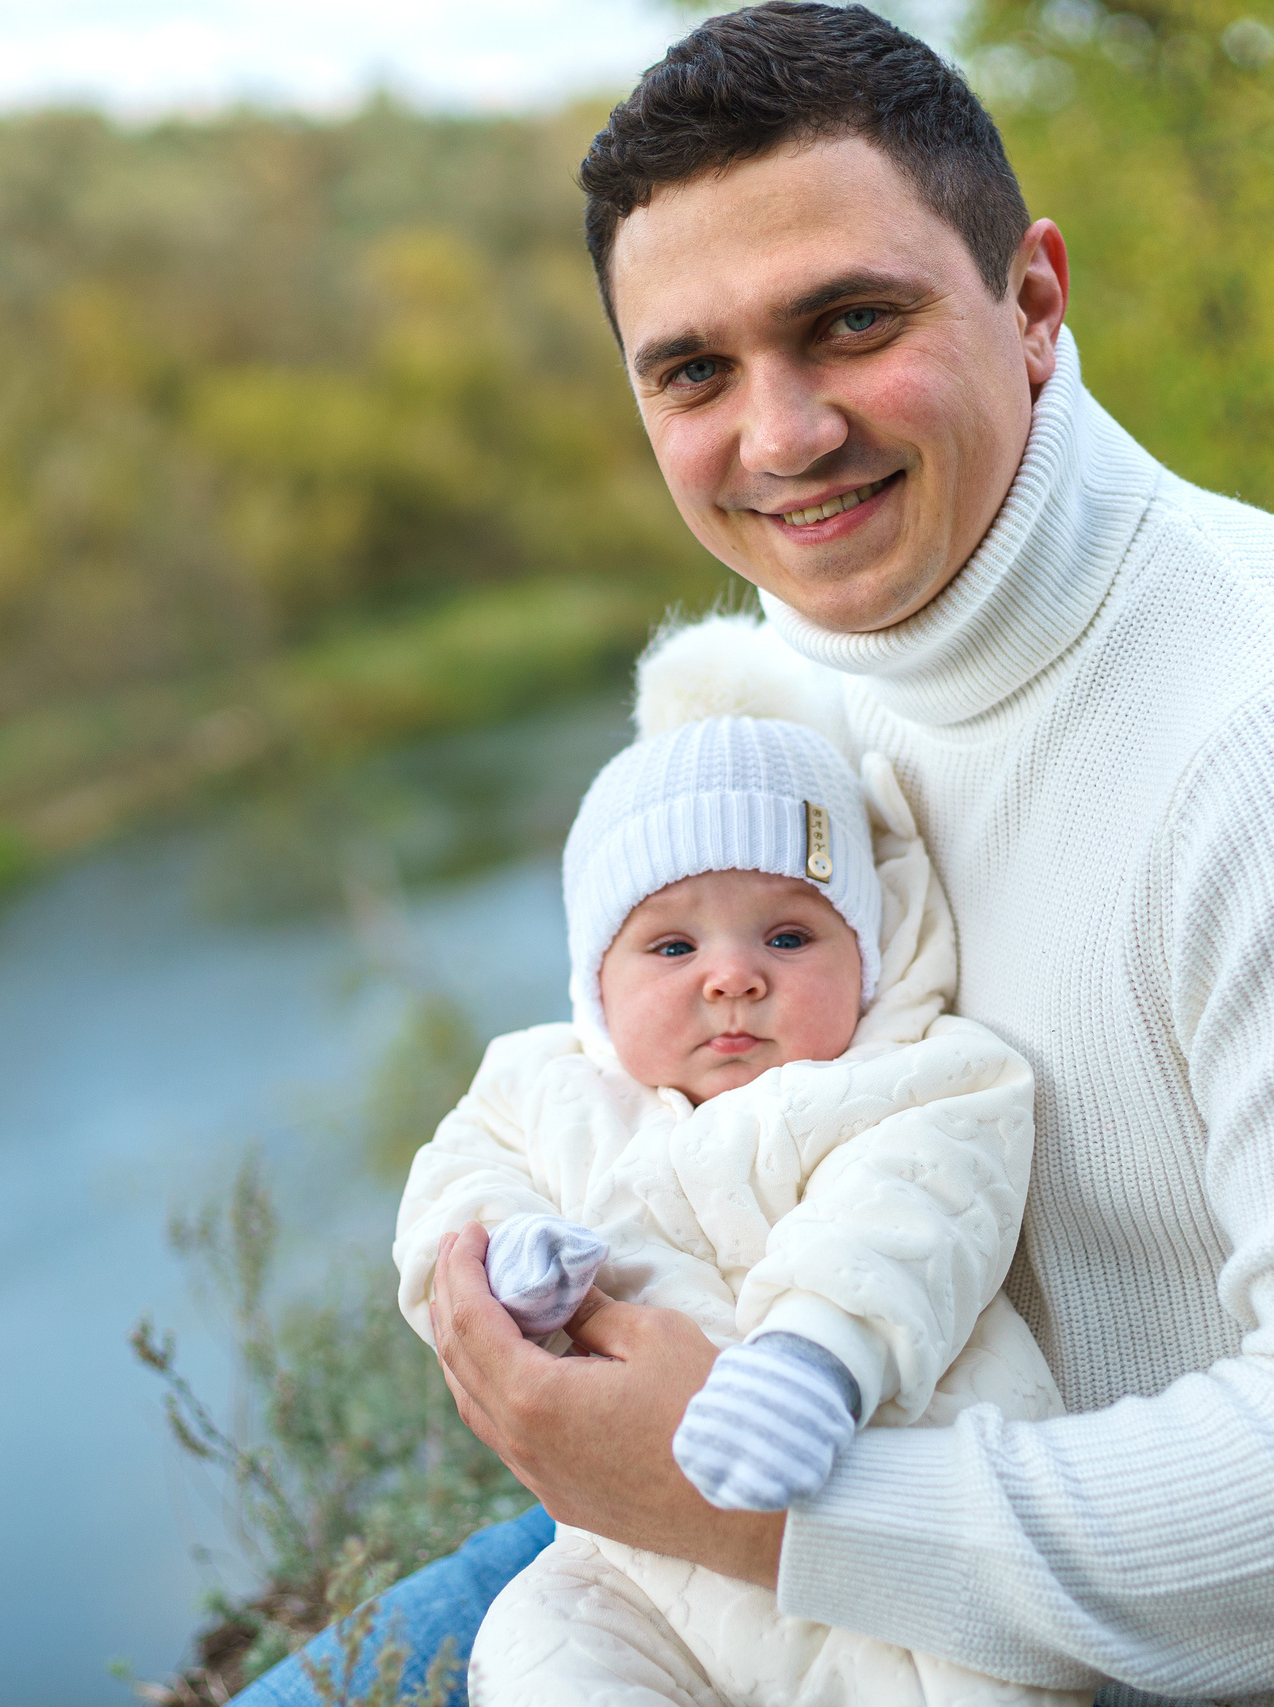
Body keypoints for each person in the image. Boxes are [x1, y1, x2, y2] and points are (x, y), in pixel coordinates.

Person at [242, 4, 1274, 1704]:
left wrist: (755, 1512)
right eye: (694, 370)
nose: (784, 434)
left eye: (852, 322)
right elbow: (663, 1108)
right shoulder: (767, 698)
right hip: (728, 1570)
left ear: (1033, 300)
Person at [393, 623, 1068, 1706]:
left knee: (982, 1678)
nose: (733, 979)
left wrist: (815, 1355)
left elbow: (909, 1218)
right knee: (536, 1643)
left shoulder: (925, 1078)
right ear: (594, 978)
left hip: (882, 1521)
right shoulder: (543, 1086)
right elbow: (454, 1186)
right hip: (635, 1566)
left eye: (790, 938)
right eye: (672, 946)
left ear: (868, 949)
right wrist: (505, 1257)